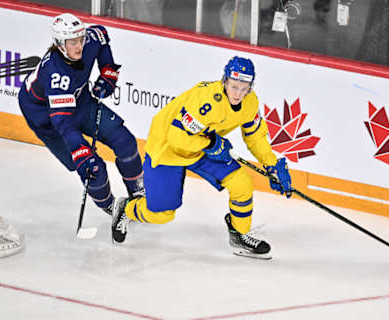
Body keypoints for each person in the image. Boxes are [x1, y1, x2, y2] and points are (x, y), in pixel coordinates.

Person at [111, 56, 292, 259]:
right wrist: (212, 144)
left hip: (201, 147)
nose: (238, 93)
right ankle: (127, 208)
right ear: (225, 81)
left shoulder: (250, 102)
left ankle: (239, 233)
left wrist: (272, 165)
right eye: (234, 86)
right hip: (167, 149)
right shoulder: (207, 101)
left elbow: (255, 136)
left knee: (242, 184)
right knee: (162, 215)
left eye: (244, 88)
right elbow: (177, 136)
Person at [18, 13, 143, 216]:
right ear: (60, 44)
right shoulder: (56, 74)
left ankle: (139, 193)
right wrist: (81, 151)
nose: (79, 46)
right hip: (48, 120)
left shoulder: (89, 40)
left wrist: (108, 71)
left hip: (81, 103)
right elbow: (64, 124)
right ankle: (113, 208)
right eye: (73, 42)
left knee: (125, 141)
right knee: (93, 169)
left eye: (81, 39)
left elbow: (101, 35)